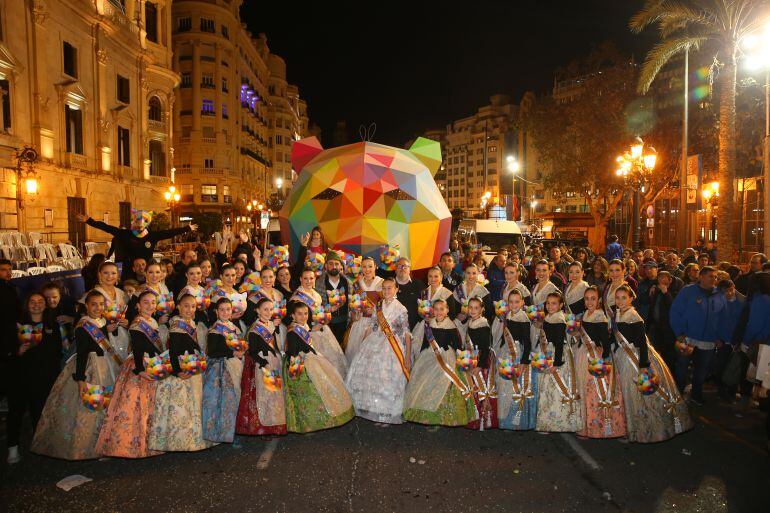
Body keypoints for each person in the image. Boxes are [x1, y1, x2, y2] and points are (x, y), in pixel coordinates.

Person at [31, 291, 122, 461]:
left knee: (109, 405)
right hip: (91, 369)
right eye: (93, 304)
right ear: (86, 306)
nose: (97, 308)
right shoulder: (83, 325)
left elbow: (110, 341)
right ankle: (92, 447)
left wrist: (112, 330)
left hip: (108, 365)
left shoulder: (103, 321)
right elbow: (82, 354)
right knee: (94, 407)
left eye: (101, 304)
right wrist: (80, 379)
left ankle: (107, 443)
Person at [613, 285, 692, 442]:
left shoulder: (634, 317)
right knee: (626, 396)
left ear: (631, 299)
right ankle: (629, 428)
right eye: (617, 297)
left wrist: (643, 365)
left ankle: (640, 430)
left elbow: (642, 343)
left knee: (637, 396)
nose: (620, 301)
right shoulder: (617, 314)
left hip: (635, 360)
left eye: (624, 297)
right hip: (621, 357)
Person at [95, 290, 165, 458]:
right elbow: (139, 348)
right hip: (141, 365)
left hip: (154, 362)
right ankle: (134, 446)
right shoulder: (137, 324)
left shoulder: (153, 321)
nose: (150, 305)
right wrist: (140, 370)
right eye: (145, 302)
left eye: (153, 302)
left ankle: (154, 443)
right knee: (136, 407)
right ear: (138, 306)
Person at [148, 294, 212, 452]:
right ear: (178, 307)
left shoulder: (191, 323)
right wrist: (177, 372)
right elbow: (173, 351)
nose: (189, 309)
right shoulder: (177, 326)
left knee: (195, 405)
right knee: (183, 408)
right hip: (182, 370)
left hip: (193, 367)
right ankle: (182, 441)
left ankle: (197, 439)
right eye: (186, 306)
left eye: (192, 306)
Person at [345, 278, 412, 424]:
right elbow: (372, 326)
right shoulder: (379, 305)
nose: (387, 291)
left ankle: (387, 413)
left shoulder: (401, 309)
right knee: (371, 377)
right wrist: (362, 344)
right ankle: (373, 409)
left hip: (392, 346)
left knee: (387, 379)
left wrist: (407, 357)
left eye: (390, 288)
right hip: (375, 342)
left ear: (396, 289)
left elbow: (407, 333)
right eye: (384, 288)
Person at [5, 293, 62, 464]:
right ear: (27, 304)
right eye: (32, 302)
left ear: (46, 305)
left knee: (40, 411)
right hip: (19, 375)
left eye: (40, 302)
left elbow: (57, 350)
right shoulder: (17, 324)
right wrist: (18, 351)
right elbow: (7, 348)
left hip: (43, 376)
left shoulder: (51, 324)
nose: (36, 305)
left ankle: (41, 446)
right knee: (16, 411)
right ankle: (12, 447)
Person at [403, 299, 477, 426]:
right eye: (436, 309)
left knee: (444, 384)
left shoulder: (451, 326)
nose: (439, 312)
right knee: (423, 383)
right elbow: (425, 343)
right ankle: (425, 415)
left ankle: (442, 417)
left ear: (447, 310)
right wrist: (420, 359)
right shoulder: (429, 325)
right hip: (429, 356)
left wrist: (463, 362)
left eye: (442, 309)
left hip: (446, 358)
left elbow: (458, 346)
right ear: (433, 311)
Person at [283, 301, 354, 433]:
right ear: (293, 316)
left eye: (305, 313)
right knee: (309, 392)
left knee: (323, 386)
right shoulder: (293, 330)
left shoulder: (303, 326)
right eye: (299, 314)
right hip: (301, 363)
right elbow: (292, 351)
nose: (303, 316)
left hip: (311, 359)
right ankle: (308, 422)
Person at [76, 210, 197, 280]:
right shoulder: (125, 234)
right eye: (137, 221)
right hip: (130, 272)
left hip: (147, 272)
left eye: (143, 221)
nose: (140, 224)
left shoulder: (152, 236)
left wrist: (187, 228)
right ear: (133, 222)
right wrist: (89, 220)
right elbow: (107, 228)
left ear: (146, 224)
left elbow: (169, 233)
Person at [670, 266, 728, 405]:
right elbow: (675, 312)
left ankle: (696, 394)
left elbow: (723, 318)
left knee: (702, 370)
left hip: (708, 340)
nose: (714, 279)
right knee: (682, 367)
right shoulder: (688, 291)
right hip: (688, 338)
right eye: (710, 276)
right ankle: (677, 394)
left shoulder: (719, 295)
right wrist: (679, 333)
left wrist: (720, 337)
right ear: (701, 276)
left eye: (715, 277)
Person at [574, 286, 626, 439]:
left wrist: (603, 358)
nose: (589, 301)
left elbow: (605, 340)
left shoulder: (600, 316)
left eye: (593, 298)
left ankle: (600, 427)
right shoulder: (584, 315)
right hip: (583, 355)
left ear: (598, 301)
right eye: (587, 298)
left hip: (595, 358)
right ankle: (585, 427)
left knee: (595, 394)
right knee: (584, 393)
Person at [236, 297, 286, 436]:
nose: (268, 312)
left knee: (275, 393)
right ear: (257, 310)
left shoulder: (271, 324)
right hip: (262, 365)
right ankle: (263, 427)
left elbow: (274, 344)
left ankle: (275, 423)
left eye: (271, 309)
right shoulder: (254, 329)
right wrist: (263, 362)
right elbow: (251, 351)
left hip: (273, 362)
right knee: (264, 395)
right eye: (265, 309)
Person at [535, 292, 582, 433]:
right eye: (548, 303)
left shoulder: (560, 319)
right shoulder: (549, 317)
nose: (550, 306)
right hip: (548, 352)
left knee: (556, 389)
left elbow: (560, 343)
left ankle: (561, 422)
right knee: (546, 390)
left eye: (554, 303)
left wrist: (557, 363)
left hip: (558, 356)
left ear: (561, 305)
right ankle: (547, 423)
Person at [290, 267, 348, 378]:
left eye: (311, 278)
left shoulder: (315, 293)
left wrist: (331, 310)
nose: (308, 281)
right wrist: (314, 327)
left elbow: (319, 312)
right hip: (309, 334)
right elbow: (297, 320)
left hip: (322, 329)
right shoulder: (297, 298)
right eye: (305, 278)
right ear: (300, 279)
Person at [202, 298, 245, 443]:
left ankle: (236, 431)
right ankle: (225, 433)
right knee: (225, 402)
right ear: (216, 312)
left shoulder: (233, 326)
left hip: (235, 365)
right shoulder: (215, 329)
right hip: (220, 369)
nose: (225, 312)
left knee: (237, 399)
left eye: (228, 309)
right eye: (222, 310)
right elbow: (213, 351)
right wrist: (232, 353)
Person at [497, 289, 538, 430]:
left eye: (516, 301)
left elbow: (527, 343)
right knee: (504, 388)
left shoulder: (524, 319)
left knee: (515, 389)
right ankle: (504, 421)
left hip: (517, 355)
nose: (513, 305)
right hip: (505, 354)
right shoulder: (506, 316)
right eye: (511, 302)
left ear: (522, 302)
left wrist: (522, 363)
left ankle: (516, 422)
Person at [460, 297, 497, 431]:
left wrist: (480, 365)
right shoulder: (470, 322)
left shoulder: (483, 325)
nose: (473, 310)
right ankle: (473, 418)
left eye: (476, 308)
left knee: (481, 390)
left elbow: (486, 347)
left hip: (481, 362)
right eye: (470, 307)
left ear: (482, 309)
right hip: (472, 359)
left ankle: (483, 419)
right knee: (472, 389)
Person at [410, 267, 455, 362]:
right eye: (430, 276)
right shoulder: (423, 293)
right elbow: (418, 311)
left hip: (441, 329)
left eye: (436, 276)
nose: (433, 279)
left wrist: (435, 319)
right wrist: (422, 314)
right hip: (423, 327)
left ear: (441, 278)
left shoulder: (447, 294)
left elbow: (452, 314)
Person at [344, 258, 383, 363]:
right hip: (359, 323)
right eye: (364, 266)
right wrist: (353, 313)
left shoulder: (382, 283)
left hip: (376, 324)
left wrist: (374, 311)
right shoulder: (357, 284)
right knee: (356, 354)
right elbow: (353, 304)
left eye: (370, 266)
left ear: (375, 266)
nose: (367, 269)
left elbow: (387, 305)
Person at [90, 261, 131, 359]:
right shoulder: (93, 294)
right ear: (99, 275)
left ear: (118, 275)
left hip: (123, 337)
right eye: (106, 273)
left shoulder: (122, 293)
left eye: (113, 273)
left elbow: (129, 314)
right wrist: (103, 329)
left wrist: (127, 322)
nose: (110, 276)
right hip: (102, 339)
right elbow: (87, 321)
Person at [314, 251, 352, 344]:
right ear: (326, 266)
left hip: (345, 323)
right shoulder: (318, 283)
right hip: (327, 325)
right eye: (331, 263)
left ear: (340, 266)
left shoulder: (348, 283)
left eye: (336, 264)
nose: (334, 266)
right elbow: (317, 307)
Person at [646, 271, 680, 372]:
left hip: (668, 330)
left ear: (670, 280)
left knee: (668, 356)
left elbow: (673, 308)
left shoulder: (674, 292)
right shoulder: (656, 291)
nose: (662, 280)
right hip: (656, 328)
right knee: (655, 354)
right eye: (660, 277)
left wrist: (666, 293)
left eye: (665, 278)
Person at [41, 282, 77, 366]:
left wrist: (72, 319)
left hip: (70, 349)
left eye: (54, 297)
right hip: (51, 354)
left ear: (60, 296)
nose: (51, 300)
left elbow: (81, 323)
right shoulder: (41, 311)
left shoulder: (68, 307)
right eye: (47, 297)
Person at [207, 264, 249, 333]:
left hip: (237, 327)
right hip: (221, 330)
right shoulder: (217, 294)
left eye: (233, 275)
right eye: (227, 275)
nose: (231, 278)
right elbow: (212, 317)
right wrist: (230, 317)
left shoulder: (237, 292)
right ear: (221, 276)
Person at [394, 257, 424, 330]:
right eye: (399, 266)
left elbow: (425, 306)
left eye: (405, 266)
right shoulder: (389, 285)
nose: (402, 268)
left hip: (416, 328)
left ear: (409, 269)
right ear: (395, 270)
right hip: (395, 329)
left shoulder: (419, 284)